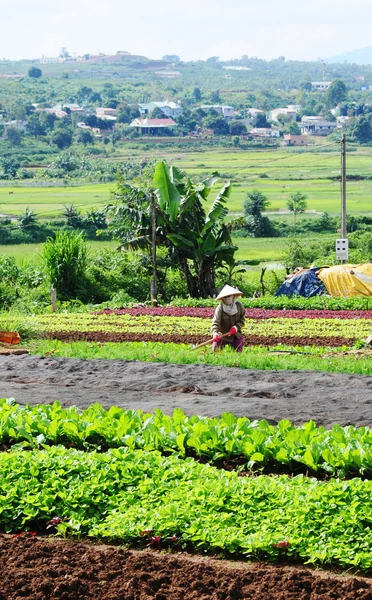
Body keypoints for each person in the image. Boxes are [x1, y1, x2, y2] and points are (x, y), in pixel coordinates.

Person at [210, 285, 245, 352]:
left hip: (235, 335)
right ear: (222, 298)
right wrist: (215, 333)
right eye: (225, 297)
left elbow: (242, 321)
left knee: (238, 352)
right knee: (215, 351)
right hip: (222, 335)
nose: (227, 298)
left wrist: (236, 327)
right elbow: (215, 323)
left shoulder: (240, 306)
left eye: (229, 296)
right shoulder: (220, 308)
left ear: (233, 296)